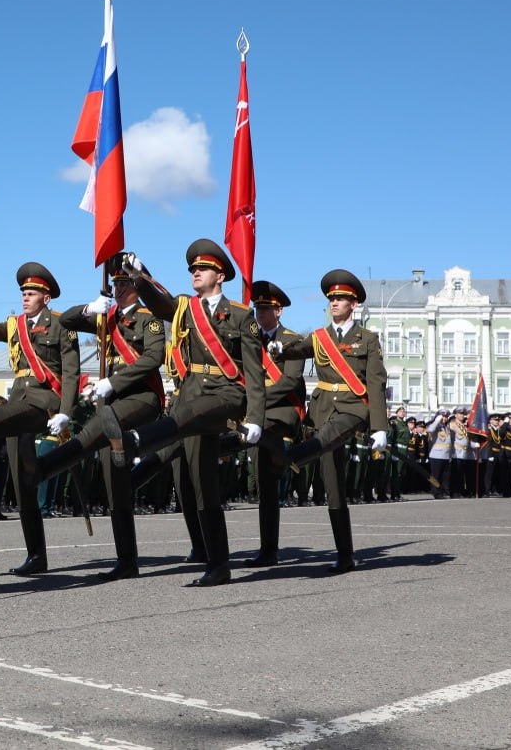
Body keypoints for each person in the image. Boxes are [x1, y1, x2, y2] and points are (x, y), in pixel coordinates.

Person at [106, 240, 265, 586]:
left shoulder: (241, 315)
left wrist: (255, 417)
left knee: (191, 416)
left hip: (225, 393)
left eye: (202, 268)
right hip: (191, 397)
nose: (195, 272)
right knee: (203, 485)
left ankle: (134, 441)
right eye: (192, 269)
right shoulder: (185, 308)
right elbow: (160, 303)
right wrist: (139, 276)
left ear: (219, 275)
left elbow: (254, 372)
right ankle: (219, 564)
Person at [24, 253, 167, 582]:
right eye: (114, 283)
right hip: (112, 406)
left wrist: (114, 381)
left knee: (102, 423)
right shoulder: (108, 317)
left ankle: (47, 466)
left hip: (141, 397)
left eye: (123, 283)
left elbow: (154, 357)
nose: (117, 289)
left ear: (135, 286)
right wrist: (91, 309)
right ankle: (127, 560)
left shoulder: (150, 319)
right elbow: (66, 322)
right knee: (114, 487)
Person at [0, 262, 82, 575]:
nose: (25, 296)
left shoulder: (62, 324)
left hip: (44, 402)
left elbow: (72, 371)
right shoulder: (16, 325)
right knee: (24, 483)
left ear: (46, 298)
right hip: (18, 400)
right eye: (23, 291)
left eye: (32, 292)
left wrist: (65, 411)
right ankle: (37, 556)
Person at [262, 269, 388, 574]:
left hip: (353, 409)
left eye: (341, 298)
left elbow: (376, 382)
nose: (334, 302)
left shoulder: (367, 339)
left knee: (331, 434)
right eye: (332, 298)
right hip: (322, 409)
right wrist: (281, 349)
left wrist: (380, 426)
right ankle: (345, 554)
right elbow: (299, 348)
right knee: (334, 487)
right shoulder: (319, 337)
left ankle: (290, 459)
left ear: (353, 304)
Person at [242, 280, 305, 567]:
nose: (260, 313)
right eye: (257, 308)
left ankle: (269, 549)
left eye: (266, 309)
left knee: (267, 480)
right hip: (255, 414)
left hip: (280, 414)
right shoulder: (250, 339)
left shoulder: (292, 340)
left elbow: (291, 380)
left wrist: (257, 399)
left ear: (278, 311)